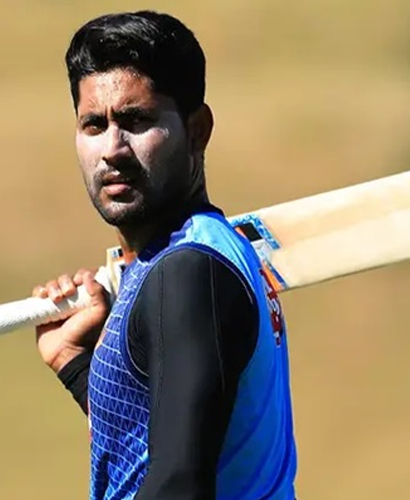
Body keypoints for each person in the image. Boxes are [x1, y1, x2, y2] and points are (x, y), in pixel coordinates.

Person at [30, 10, 298, 500]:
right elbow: (158, 439)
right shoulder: (184, 259)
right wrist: (73, 362)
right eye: (94, 125)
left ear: (198, 130)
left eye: (136, 121)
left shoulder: (191, 273)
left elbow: (178, 483)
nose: (113, 149)